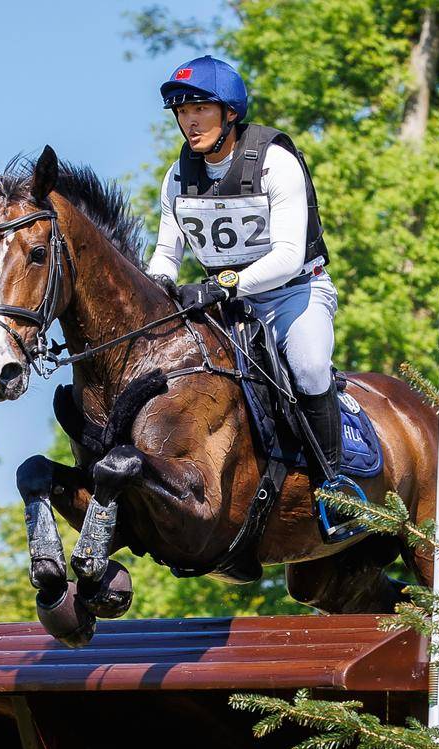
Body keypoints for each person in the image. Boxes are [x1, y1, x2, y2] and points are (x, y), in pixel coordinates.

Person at [146, 54, 344, 484]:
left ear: (230, 113)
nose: (190, 122)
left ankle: (335, 485)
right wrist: (154, 290)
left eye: (200, 109)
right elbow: (167, 253)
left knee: (309, 367)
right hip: (226, 307)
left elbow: (289, 255)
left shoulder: (275, 162)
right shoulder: (177, 178)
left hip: (294, 294)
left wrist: (223, 285)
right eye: (182, 112)